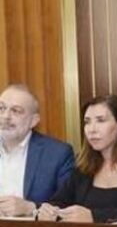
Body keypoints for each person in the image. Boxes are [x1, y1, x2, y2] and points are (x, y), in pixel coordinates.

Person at [37, 95, 117, 223]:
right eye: (87, 122)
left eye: (100, 120)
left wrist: (94, 217)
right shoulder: (82, 164)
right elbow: (59, 201)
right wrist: (50, 210)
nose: (92, 130)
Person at [0, 84, 74, 217]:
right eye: (1, 108)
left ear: (34, 121)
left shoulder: (57, 154)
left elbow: (68, 206)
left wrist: (31, 208)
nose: (5, 116)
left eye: (16, 111)